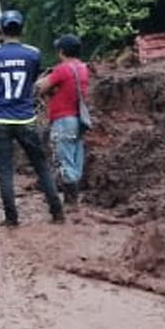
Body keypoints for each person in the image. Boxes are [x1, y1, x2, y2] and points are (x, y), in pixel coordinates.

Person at [0, 9, 64, 227]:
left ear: (0, 29)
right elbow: (32, 79)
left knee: (5, 170)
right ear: (22, 28)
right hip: (25, 118)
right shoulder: (33, 53)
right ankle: (57, 211)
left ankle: (11, 218)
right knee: (41, 166)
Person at [37, 33, 92, 206]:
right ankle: (74, 199)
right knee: (76, 157)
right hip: (78, 120)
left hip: (63, 120)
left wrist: (42, 81)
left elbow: (41, 87)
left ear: (61, 52)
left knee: (65, 158)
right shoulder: (83, 68)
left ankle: (71, 202)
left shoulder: (63, 69)